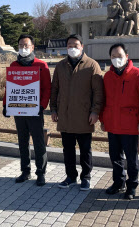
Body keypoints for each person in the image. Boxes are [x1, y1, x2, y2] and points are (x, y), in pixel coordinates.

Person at [50, 34, 104, 191]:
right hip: (65, 115)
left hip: (84, 115)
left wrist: (95, 112)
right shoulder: (60, 66)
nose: (72, 48)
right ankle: (70, 176)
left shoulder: (92, 65)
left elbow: (98, 92)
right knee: (67, 149)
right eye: (69, 45)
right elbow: (55, 89)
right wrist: (53, 108)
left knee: (85, 149)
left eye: (75, 45)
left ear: (82, 46)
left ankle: (86, 177)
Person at [99, 43, 139, 200]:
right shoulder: (107, 76)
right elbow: (103, 100)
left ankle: (132, 186)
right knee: (115, 157)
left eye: (120, 56)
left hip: (130, 124)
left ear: (127, 57)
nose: (116, 59)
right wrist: (103, 120)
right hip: (113, 124)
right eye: (113, 56)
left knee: (131, 158)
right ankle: (118, 182)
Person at [3, 34, 51, 186]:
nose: (23, 48)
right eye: (21, 46)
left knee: (38, 142)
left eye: (26, 45)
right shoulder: (13, 66)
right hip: (19, 110)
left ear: (32, 47)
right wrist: (5, 105)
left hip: (35, 111)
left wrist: (42, 106)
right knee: (22, 141)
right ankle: (25, 171)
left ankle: (41, 172)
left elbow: (46, 88)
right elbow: (9, 88)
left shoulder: (41, 65)